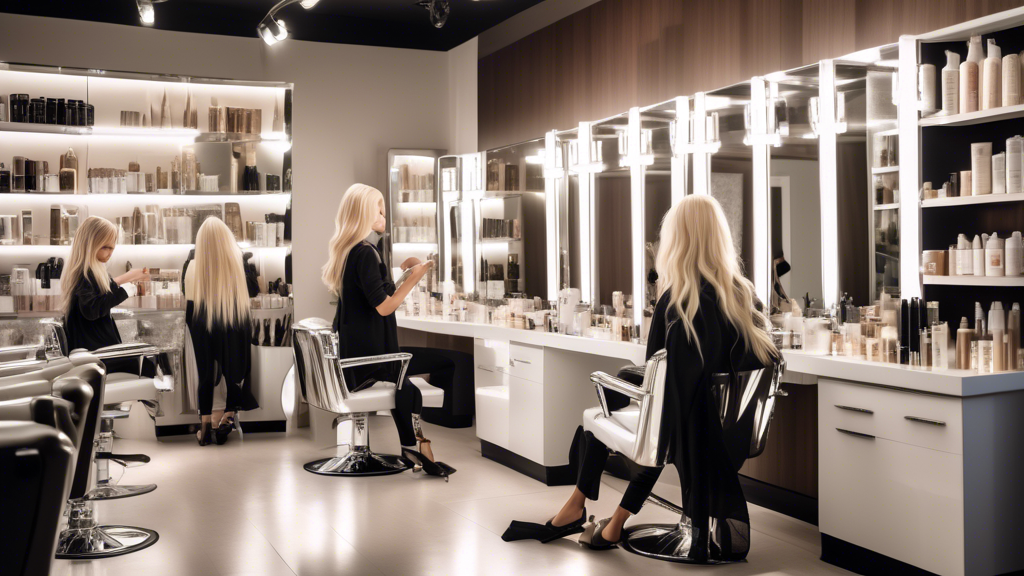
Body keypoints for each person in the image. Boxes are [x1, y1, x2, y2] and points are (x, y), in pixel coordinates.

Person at [503, 195, 778, 562]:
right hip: (733, 431)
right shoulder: (746, 297)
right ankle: (611, 520)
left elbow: (657, 380)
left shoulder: (676, 302)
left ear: (676, 240)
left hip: (684, 432)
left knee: (601, 411)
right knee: (653, 404)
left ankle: (579, 507)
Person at [322, 183, 454, 477]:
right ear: (364, 213)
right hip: (370, 360)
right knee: (448, 361)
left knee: (405, 380)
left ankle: (411, 445)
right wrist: (414, 279)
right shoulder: (367, 252)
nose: (384, 215)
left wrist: (402, 273)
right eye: (378, 209)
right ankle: (415, 443)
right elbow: (383, 307)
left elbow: (374, 298)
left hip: (355, 356)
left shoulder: (351, 251)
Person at [184, 217, 259, 446]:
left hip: (199, 321)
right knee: (233, 371)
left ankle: (205, 426)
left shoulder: (192, 263)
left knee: (205, 375)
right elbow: (254, 291)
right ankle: (228, 416)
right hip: (231, 319)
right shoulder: (236, 262)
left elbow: (185, 294)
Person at [61, 216, 150, 371]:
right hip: (96, 356)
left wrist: (126, 281)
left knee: (147, 360)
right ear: (89, 246)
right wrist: (125, 291)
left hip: (97, 353)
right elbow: (92, 309)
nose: (110, 253)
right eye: (105, 247)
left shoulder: (90, 272)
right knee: (150, 363)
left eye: (112, 248)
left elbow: (105, 291)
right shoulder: (85, 275)